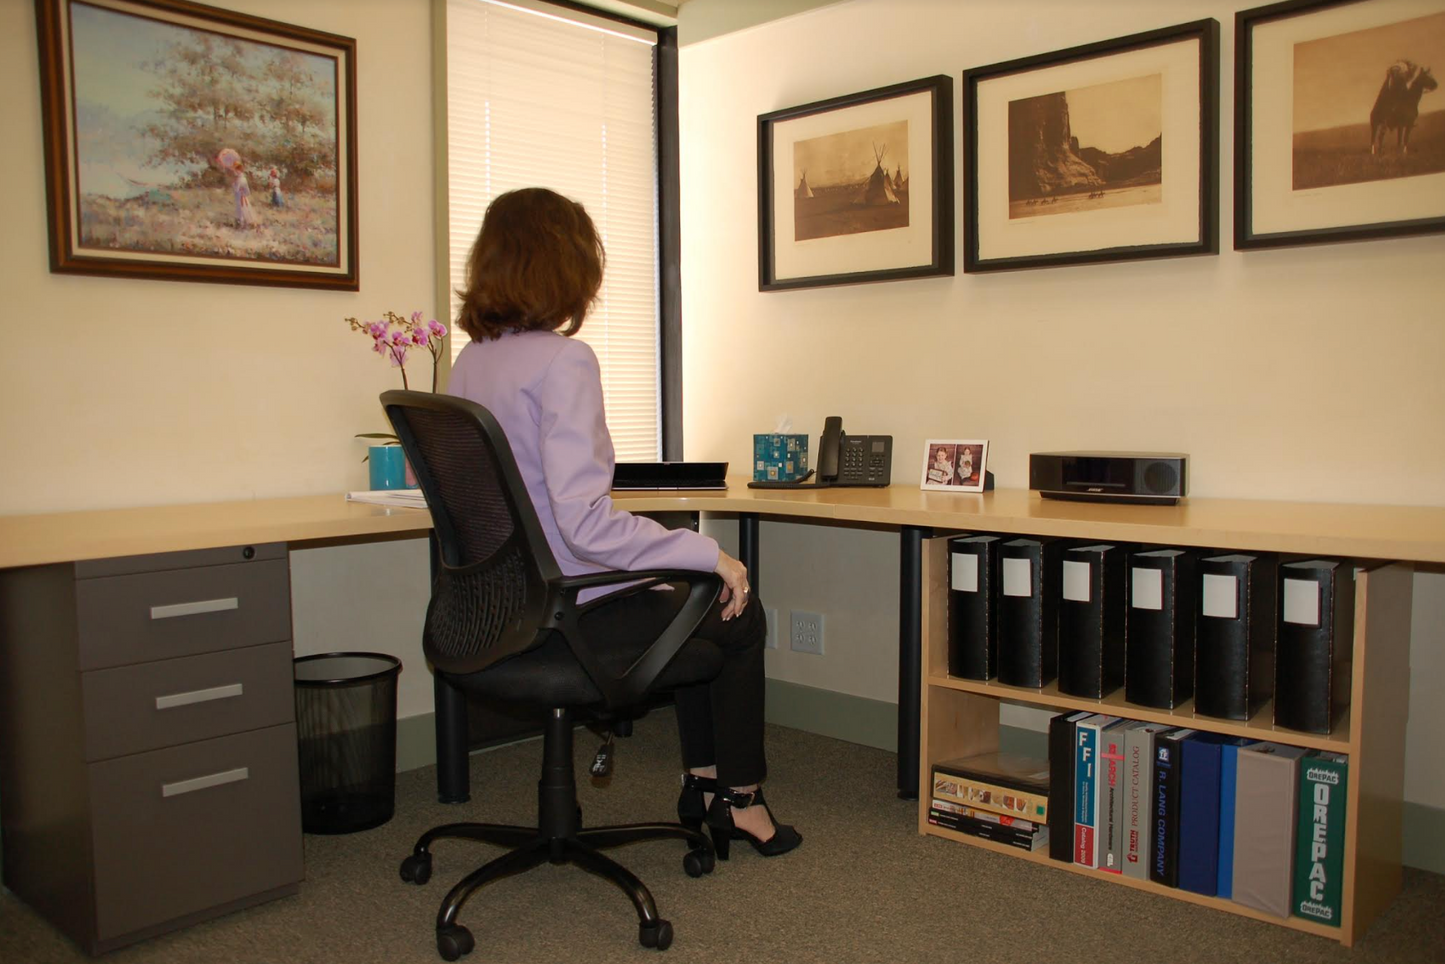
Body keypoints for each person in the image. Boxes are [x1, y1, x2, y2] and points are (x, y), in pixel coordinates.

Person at [447, 187, 800, 859]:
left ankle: (702, 784)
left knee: (689, 608)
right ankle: (739, 801)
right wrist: (707, 552)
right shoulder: (562, 360)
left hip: (499, 608)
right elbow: (584, 525)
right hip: (569, 607)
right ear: (570, 266)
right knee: (735, 612)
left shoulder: (471, 363)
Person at [228, 161, 255, 228]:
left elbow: (236, 189)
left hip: (240, 197)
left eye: (235, 170)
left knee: (240, 210)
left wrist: (233, 184)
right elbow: (247, 191)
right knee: (244, 209)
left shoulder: (239, 179)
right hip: (243, 197)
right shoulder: (244, 179)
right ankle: (244, 223)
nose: (234, 172)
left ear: (238, 170)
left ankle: (241, 224)